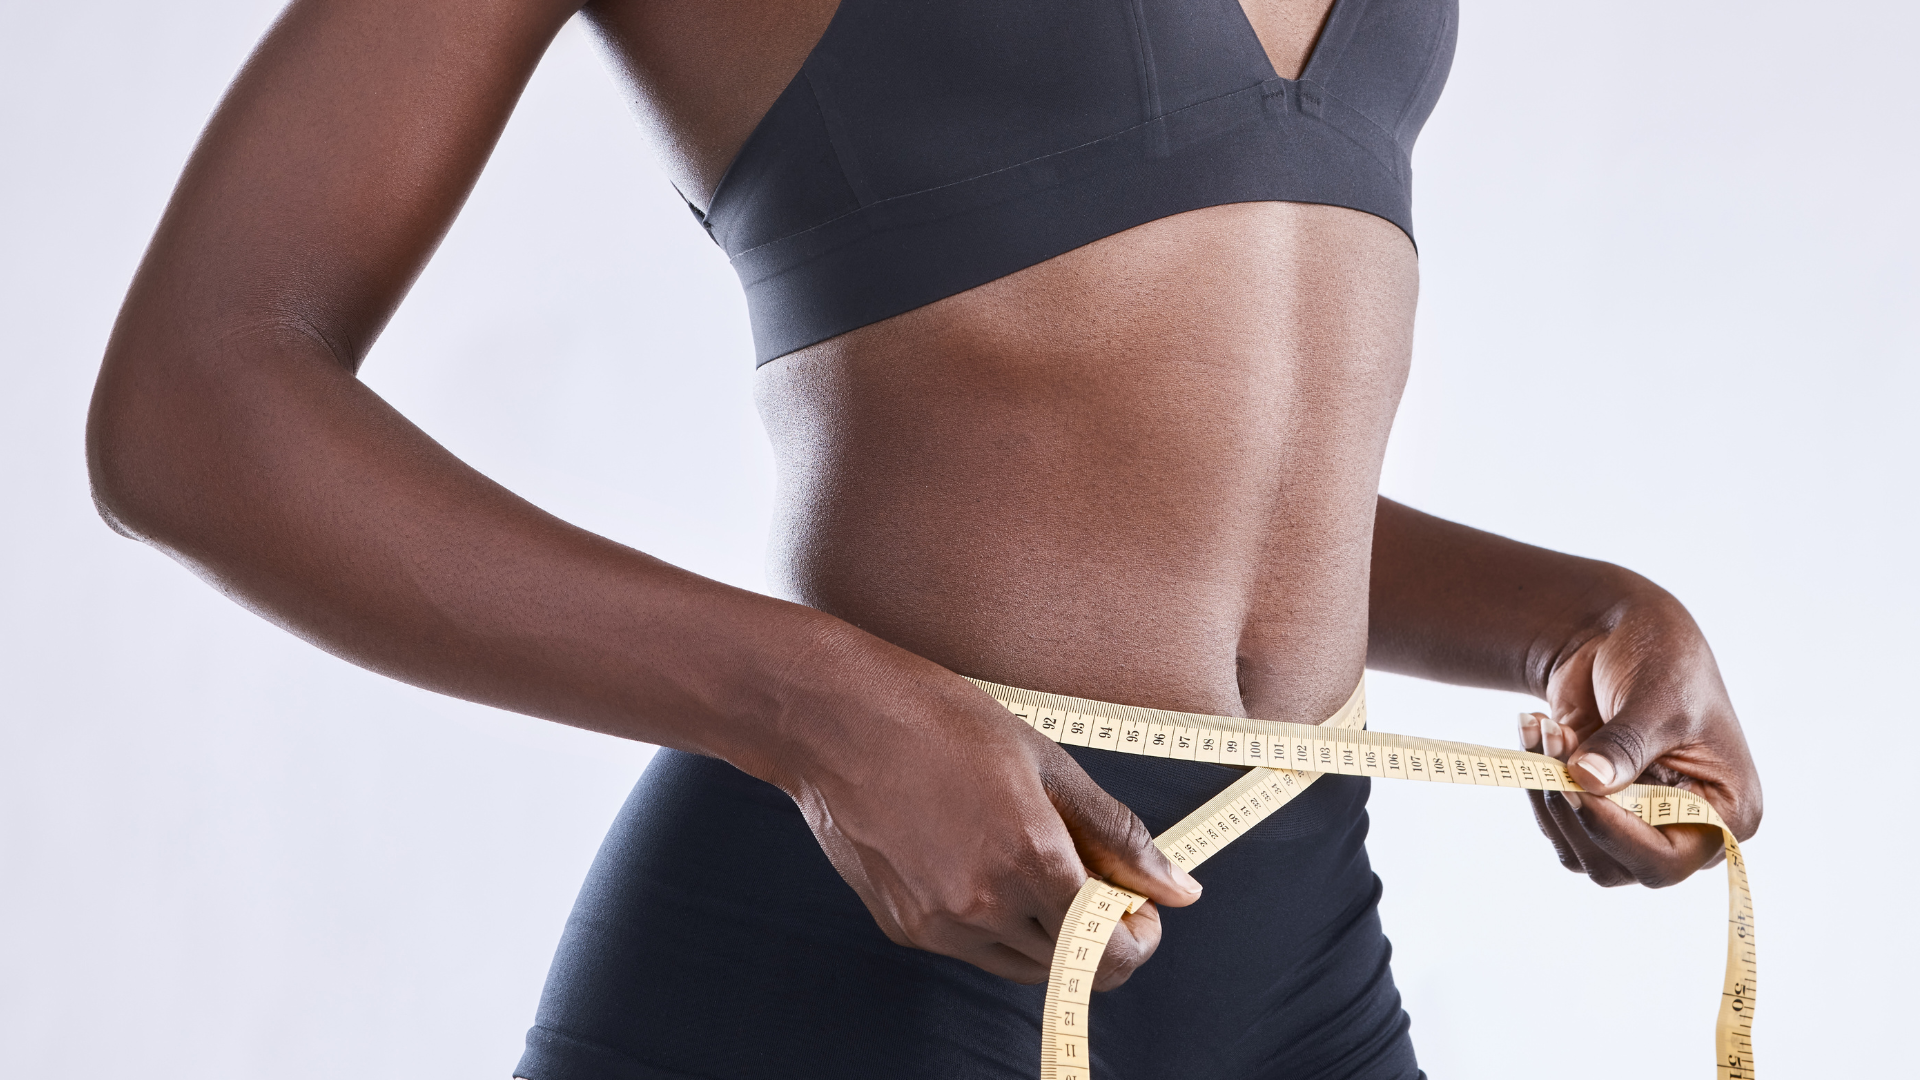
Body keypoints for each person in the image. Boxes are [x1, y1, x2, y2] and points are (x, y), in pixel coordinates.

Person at [85, 0, 1763, 1076]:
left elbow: (1146, 454)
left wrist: (1575, 618)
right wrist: (815, 716)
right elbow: (196, 400)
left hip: (1297, 959)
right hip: (847, 973)